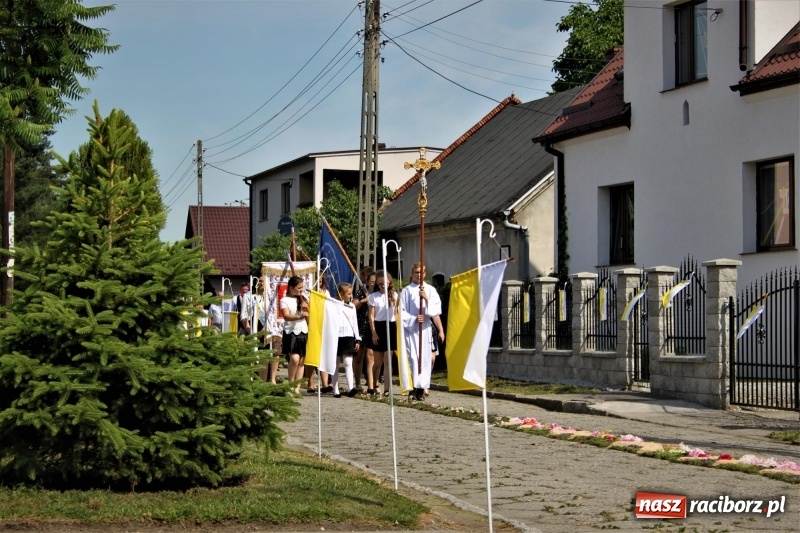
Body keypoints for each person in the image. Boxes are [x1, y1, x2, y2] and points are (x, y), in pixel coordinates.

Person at [400, 263, 445, 401]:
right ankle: (413, 388)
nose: (418, 275)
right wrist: (414, 319)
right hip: (412, 330)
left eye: (421, 273)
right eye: (416, 272)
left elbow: (436, 311)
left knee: (425, 359)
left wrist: (426, 298)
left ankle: (421, 388)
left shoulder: (430, 290)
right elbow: (401, 312)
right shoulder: (406, 291)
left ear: (424, 274)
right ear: (412, 273)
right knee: (413, 358)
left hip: (425, 329)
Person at [368, 271, 397, 397]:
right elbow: (371, 316)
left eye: (384, 283)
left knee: (388, 360)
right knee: (378, 362)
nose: (382, 285)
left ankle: (387, 389)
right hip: (378, 327)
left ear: (389, 282)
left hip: (390, 326)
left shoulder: (394, 295)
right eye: (379, 283)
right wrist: (374, 332)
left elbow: (396, 313)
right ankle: (374, 384)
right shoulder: (374, 296)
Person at [331, 283, 361, 398]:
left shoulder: (352, 306)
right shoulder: (334, 304)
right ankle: (335, 389)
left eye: (351, 293)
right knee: (336, 363)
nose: (351, 295)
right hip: (337, 336)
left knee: (348, 362)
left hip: (348, 336)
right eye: (348, 293)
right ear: (341, 294)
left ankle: (350, 387)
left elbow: (355, 323)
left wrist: (357, 339)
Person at [280, 276, 309, 395]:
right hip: (290, 332)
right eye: (299, 288)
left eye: (302, 287)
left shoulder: (303, 299)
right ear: (291, 288)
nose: (301, 290)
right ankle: (290, 383)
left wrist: (307, 307)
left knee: (301, 360)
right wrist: (299, 316)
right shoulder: (284, 300)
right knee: (294, 359)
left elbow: (310, 313)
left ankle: (297, 387)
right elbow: (286, 316)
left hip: (303, 331)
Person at [353, 267, 374, 393]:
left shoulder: (377, 292)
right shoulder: (361, 291)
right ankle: (357, 383)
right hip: (360, 325)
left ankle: (371, 384)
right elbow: (353, 306)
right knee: (359, 356)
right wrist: (363, 301)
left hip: (372, 327)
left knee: (371, 355)